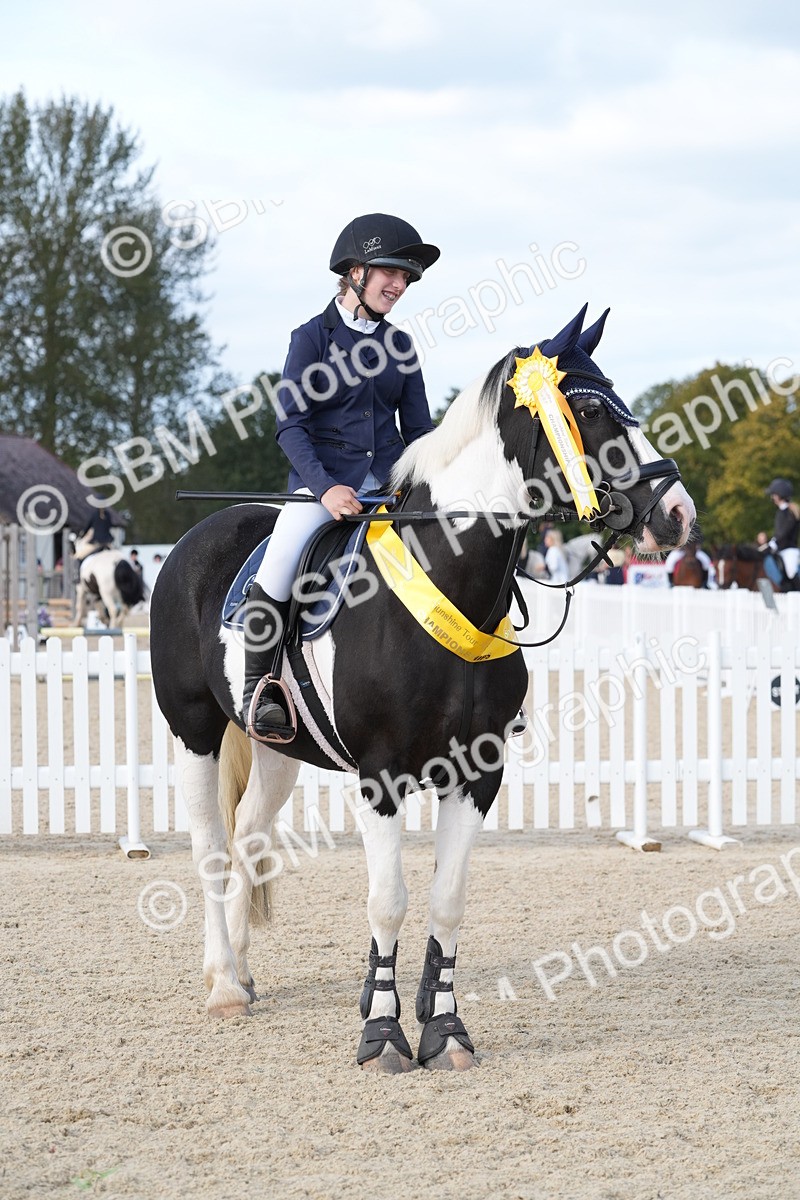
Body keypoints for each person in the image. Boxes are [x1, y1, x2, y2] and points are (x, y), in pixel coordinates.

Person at [243, 213, 440, 739]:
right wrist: (326, 487)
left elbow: (419, 429)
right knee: (280, 567)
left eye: (406, 278)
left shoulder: (401, 345)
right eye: (391, 273)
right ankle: (260, 689)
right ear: (355, 272)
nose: (400, 285)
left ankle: (480, 681)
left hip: (392, 488)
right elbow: (290, 426)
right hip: (323, 485)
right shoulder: (310, 338)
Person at [759, 478, 800, 589]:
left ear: (779, 495)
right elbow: (778, 533)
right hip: (780, 548)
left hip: (789, 549)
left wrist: (773, 544)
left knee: (791, 570)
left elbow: (784, 532)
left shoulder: (791, 512)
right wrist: (770, 543)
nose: (772, 497)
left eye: (773, 495)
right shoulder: (780, 512)